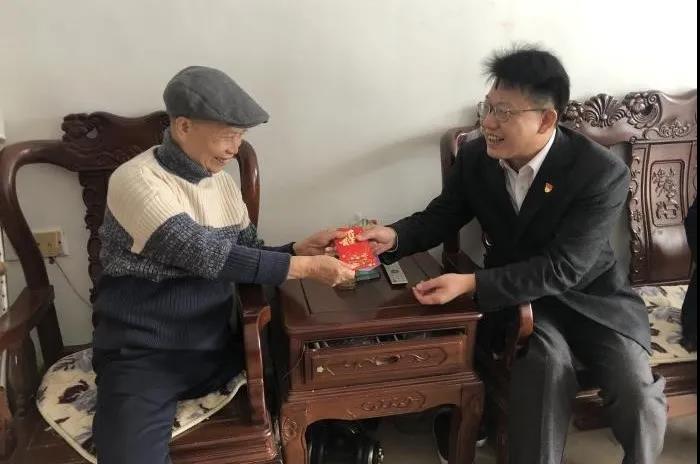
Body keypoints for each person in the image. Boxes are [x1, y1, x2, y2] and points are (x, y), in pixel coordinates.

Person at [360, 46, 667, 464]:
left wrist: (471, 283)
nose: (488, 123)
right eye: (488, 107)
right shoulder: (476, 158)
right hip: (520, 300)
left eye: (504, 112)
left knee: (637, 393)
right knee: (544, 368)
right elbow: (442, 216)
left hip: (593, 301)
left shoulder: (599, 172)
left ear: (546, 119)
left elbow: (565, 267)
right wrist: (393, 237)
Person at [91, 66, 355, 464]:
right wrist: (304, 267)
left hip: (215, 345)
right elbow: (203, 254)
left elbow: (246, 254)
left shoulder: (223, 183)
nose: (235, 149)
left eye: (241, 137)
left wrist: (297, 249)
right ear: (183, 126)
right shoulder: (136, 180)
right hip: (145, 353)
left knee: (312, 373)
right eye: (228, 135)